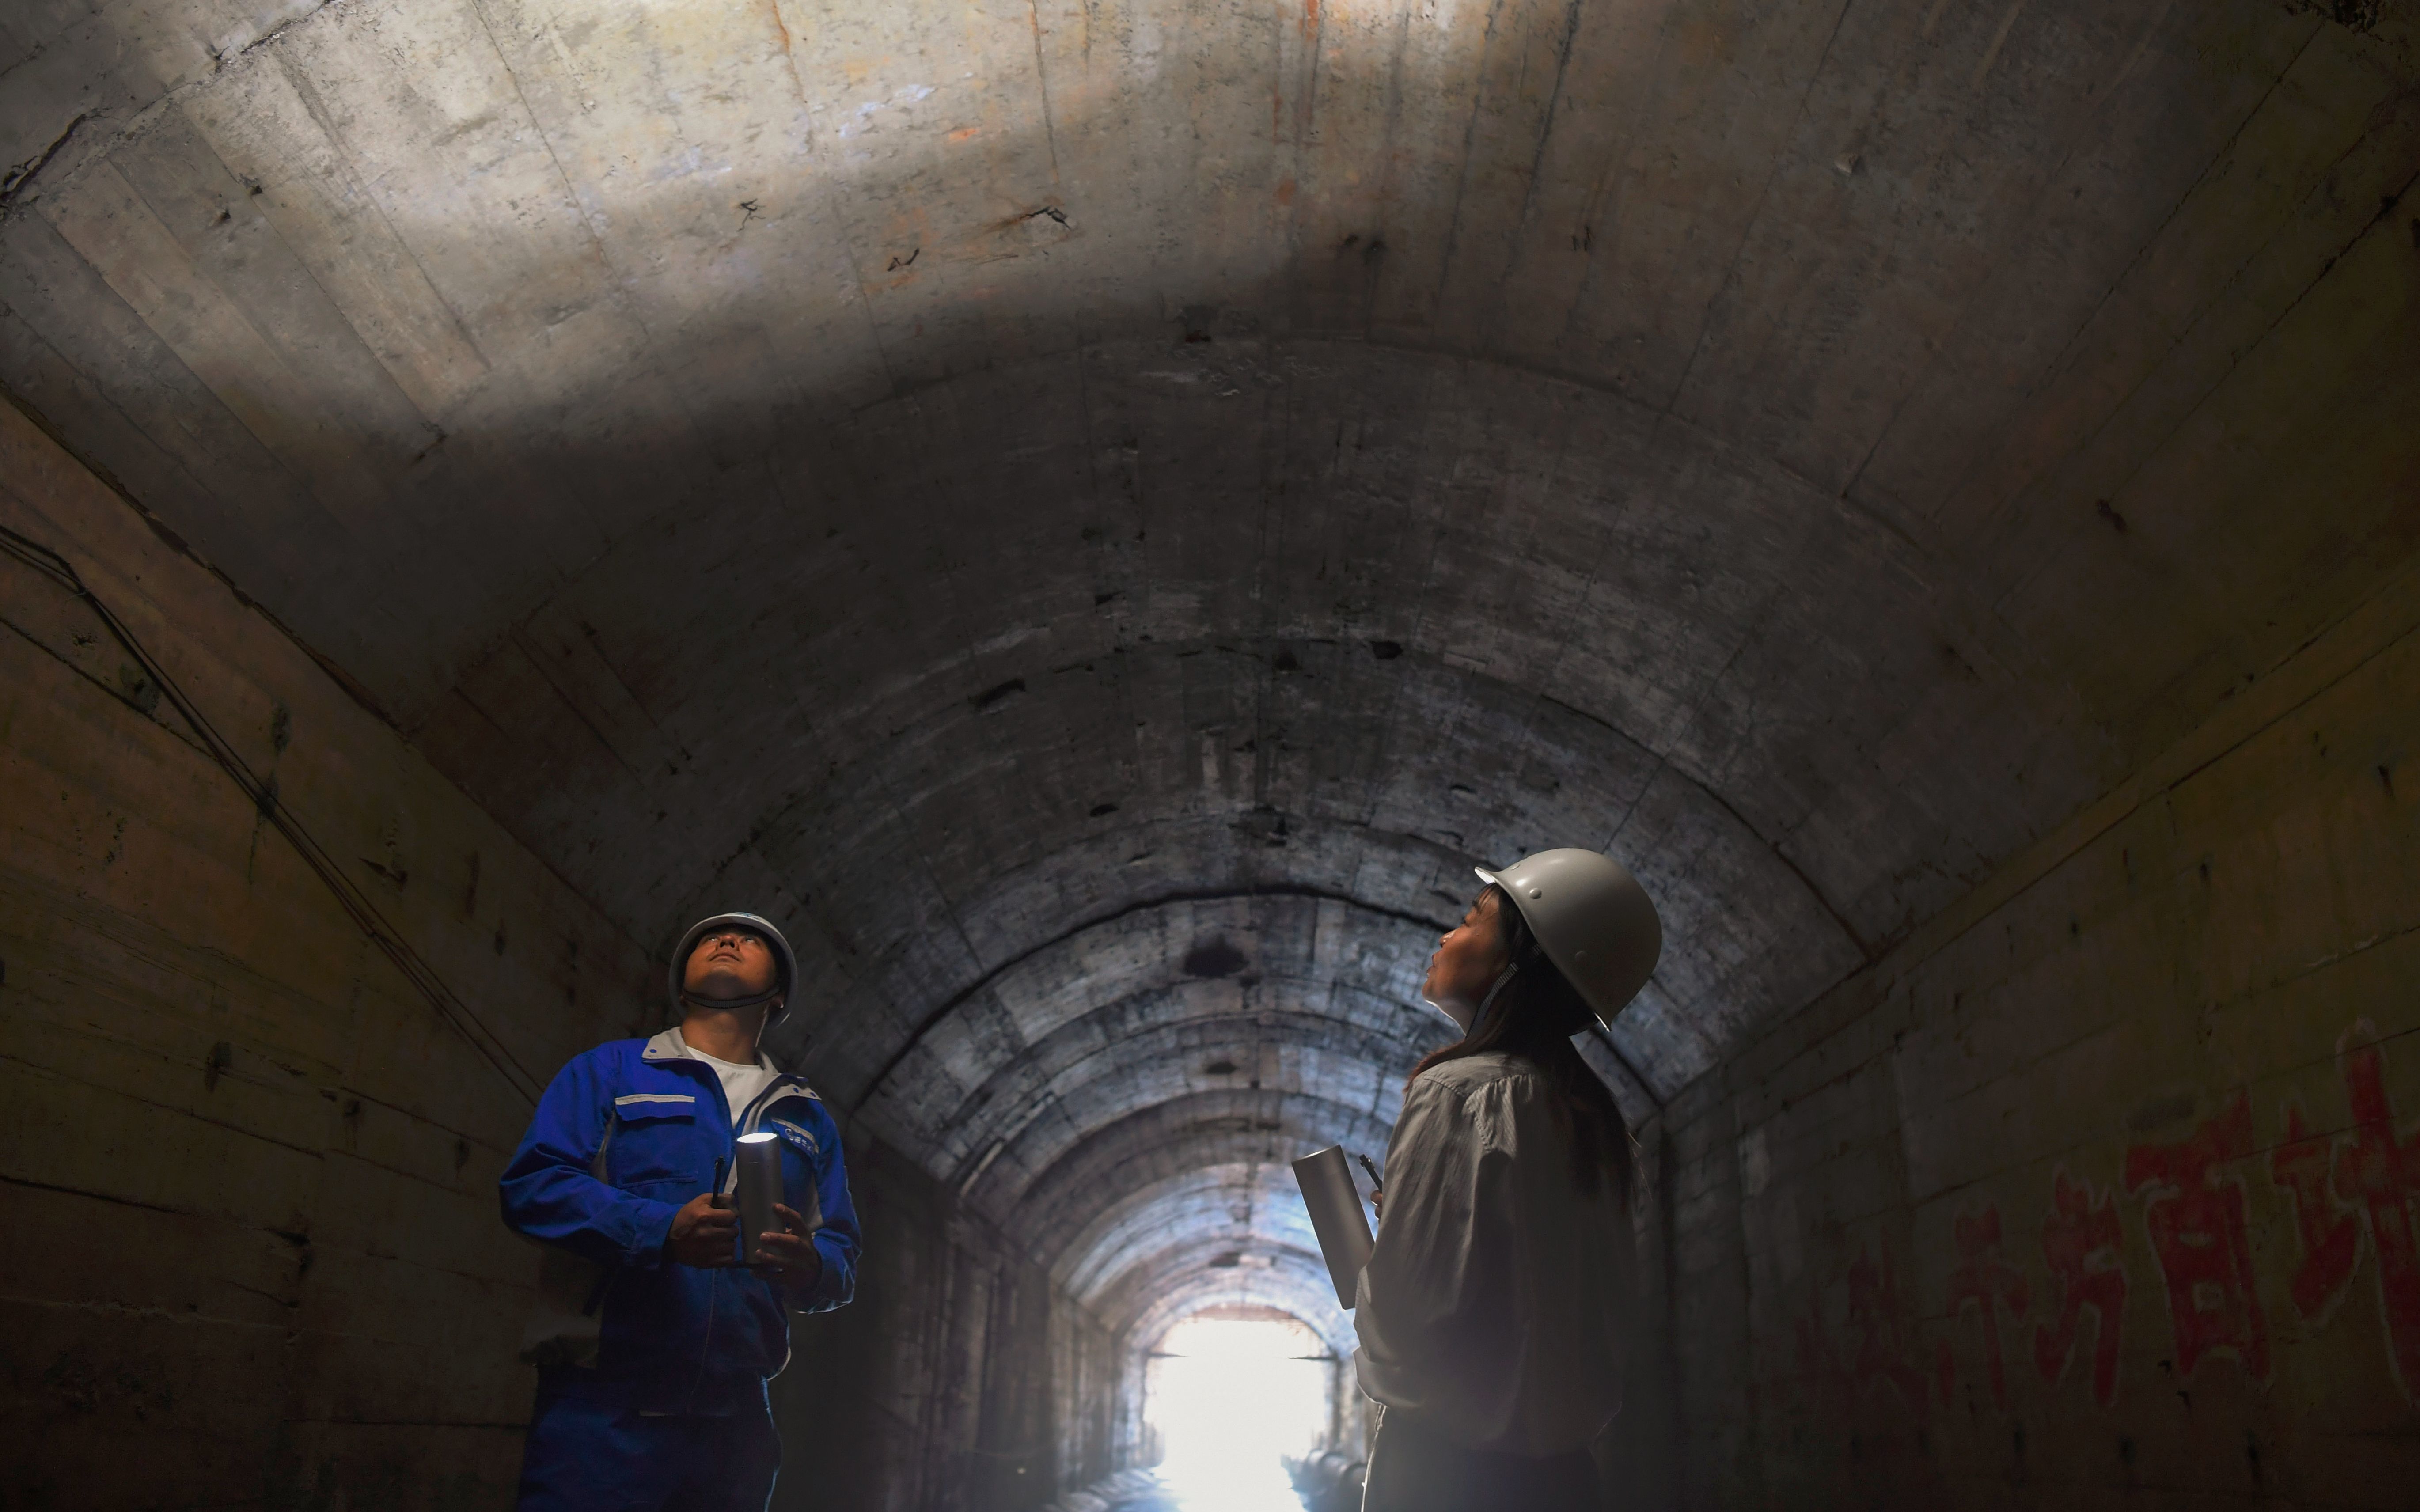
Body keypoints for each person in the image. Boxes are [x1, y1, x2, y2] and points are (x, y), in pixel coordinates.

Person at [499, 912, 862, 1512]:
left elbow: (840, 1255)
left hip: (736, 1424)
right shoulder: (610, 1072)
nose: (724, 941)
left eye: (749, 941)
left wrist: (805, 1264)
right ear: (679, 981)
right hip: (604, 1411)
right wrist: (662, 1229)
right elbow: (532, 1187)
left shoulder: (805, 1116)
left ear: (777, 996)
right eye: (708, 939)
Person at [1354, 849, 1662, 1512]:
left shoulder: (1456, 1093)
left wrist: (1384, 1252)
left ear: (1518, 961)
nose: (1447, 934)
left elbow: (1406, 1327)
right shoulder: (1597, 1123)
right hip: (1564, 1481)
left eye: (1471, 919)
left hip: (1448, 1478)